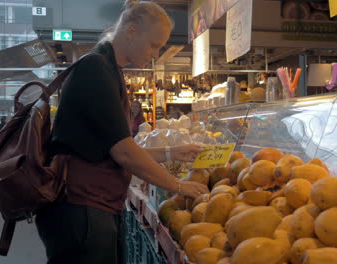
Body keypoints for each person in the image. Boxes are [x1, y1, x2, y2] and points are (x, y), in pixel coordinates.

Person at [35, 1, 209, 264]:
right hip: (80, 209)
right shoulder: (95, 70)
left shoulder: (108, 68)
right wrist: (178, 185)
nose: (156, 53)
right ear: (131, 31)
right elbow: (124, 153)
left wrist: (171, 152)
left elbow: (110, 146)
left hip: (90, 206)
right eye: (154, 45)